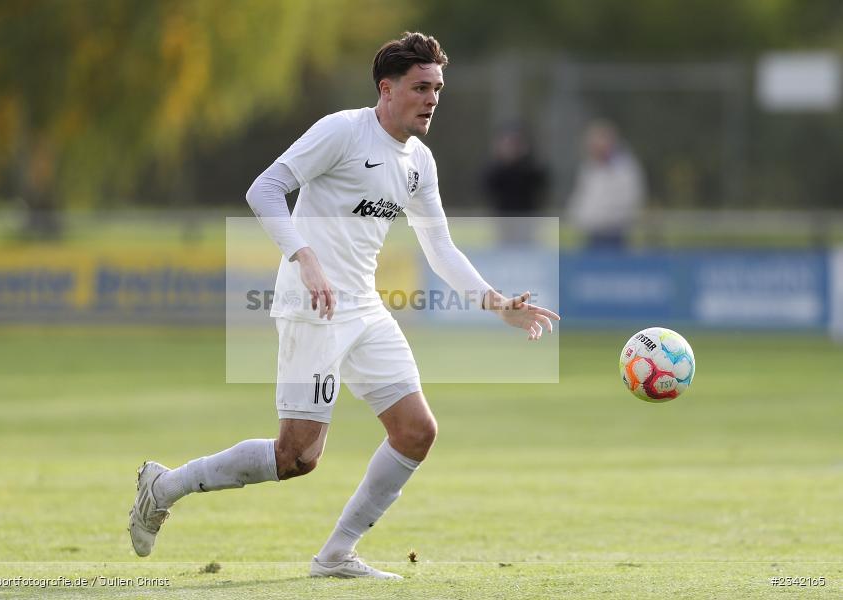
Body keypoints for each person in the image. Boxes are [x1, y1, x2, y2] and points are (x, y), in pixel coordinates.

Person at [128, 32, 559, 580]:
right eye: (421, 87)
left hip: (364, 307)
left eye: (438, 89)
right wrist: (303, 257)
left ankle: (336, 555)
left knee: (416, 431)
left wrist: (495, 303)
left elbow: (440, 246)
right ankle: (164, 485)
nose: (432, 99)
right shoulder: (342, 131)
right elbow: (264, 189)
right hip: (310, 307)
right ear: (387, 88)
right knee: (297, 458)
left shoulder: (419, 162)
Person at [567, 120, 646, 249]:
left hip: (614, 233)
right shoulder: (589, 168)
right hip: (591, 233)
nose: (592, 149)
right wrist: (576, 219)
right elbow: (582, 197)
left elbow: (630, 200)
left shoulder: (625, 168)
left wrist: (601, 218)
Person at [482, 125, 550, 245]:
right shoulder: (495, 169)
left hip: (527, 221)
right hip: (502, 221)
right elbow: (487, 186)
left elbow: (539, 183)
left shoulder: (531, 168)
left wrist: (523, 160)